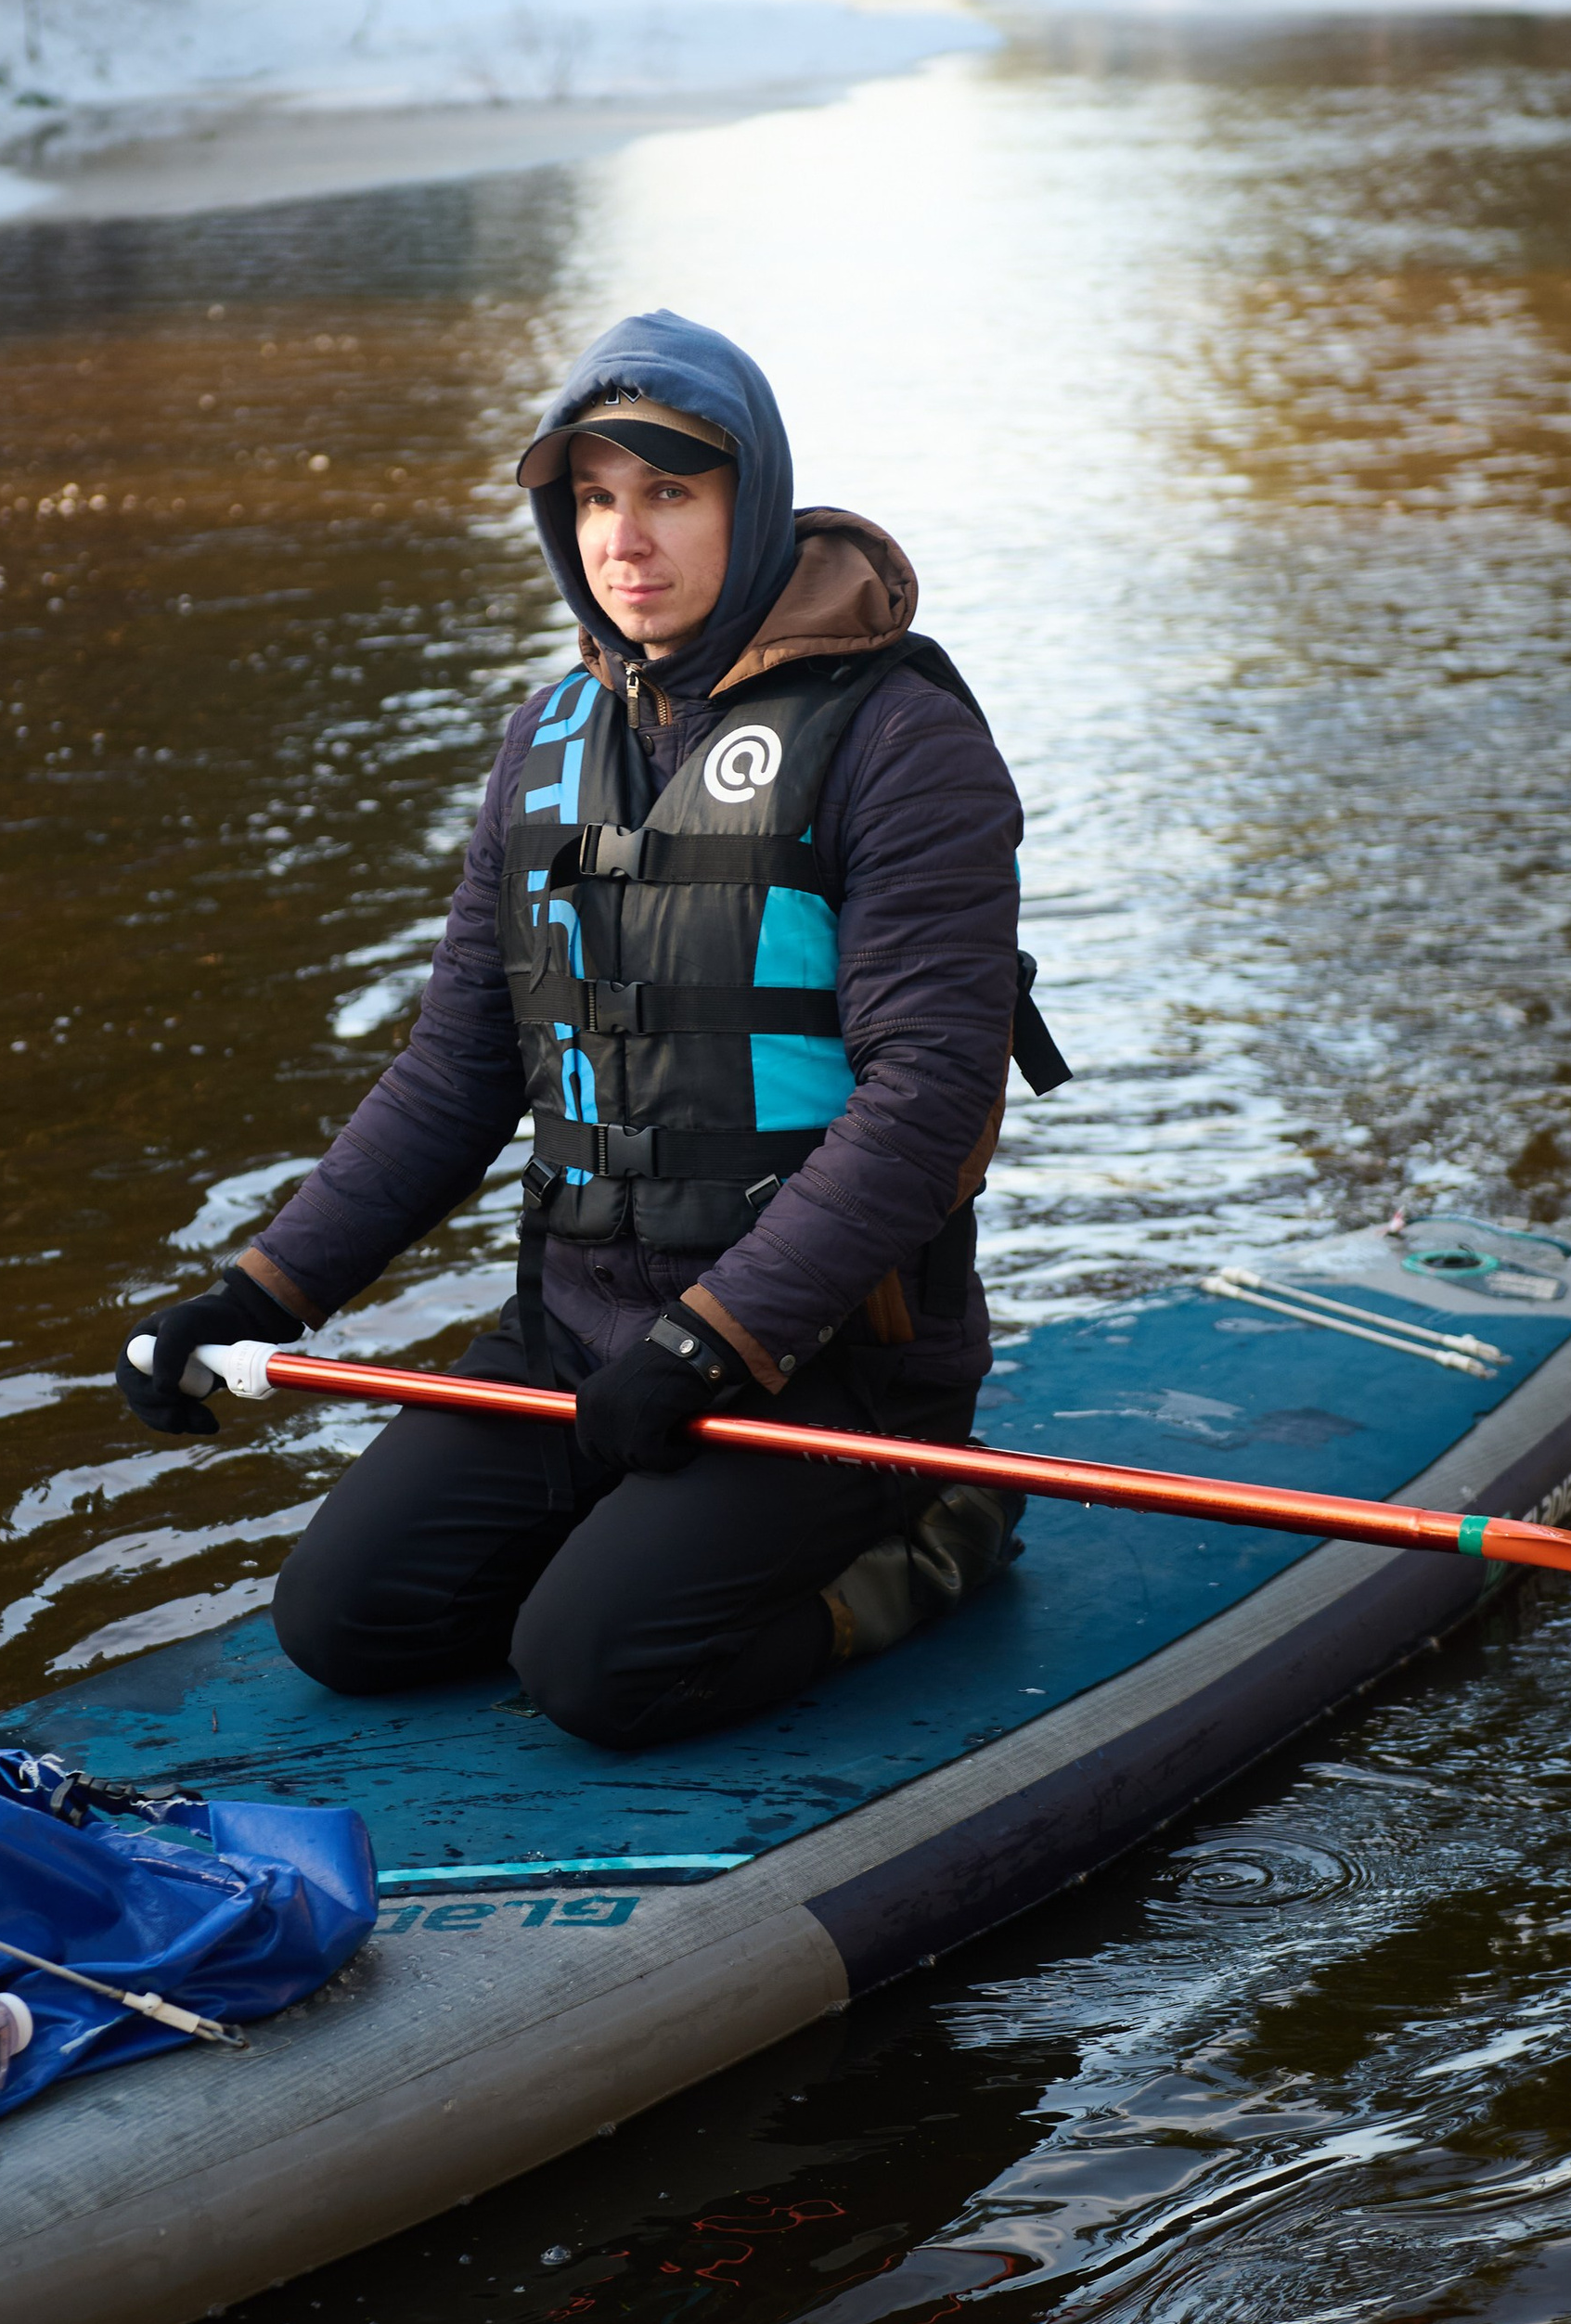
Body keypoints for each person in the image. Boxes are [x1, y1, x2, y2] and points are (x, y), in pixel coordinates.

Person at [119, 309, 1065, 1749]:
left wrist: (711, 1343)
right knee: (346, 1625)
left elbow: (930, 1097)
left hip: (822, 1366)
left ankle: (943, 1517)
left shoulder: (898, 739)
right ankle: (643, 1540)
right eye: (595, 498)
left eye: (671, 493)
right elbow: (456, 1068)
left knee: (600, 1673)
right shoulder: (545, 742)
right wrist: (260, 1297)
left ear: (752, 505)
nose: (626, 540)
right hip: (575, 1338)